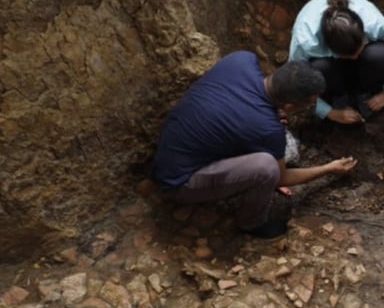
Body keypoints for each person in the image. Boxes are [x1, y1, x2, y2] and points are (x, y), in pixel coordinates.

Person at [152, 52, 357, 239]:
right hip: (179, 181)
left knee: (265, 150)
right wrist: (328, 169)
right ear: (289, 107)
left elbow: (237, 103)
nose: (311, 107)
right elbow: (281, 177)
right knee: (267, 168)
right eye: (309, 104)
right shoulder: (268, 129)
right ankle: (251, 223)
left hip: (173, 148)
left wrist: (269, 112)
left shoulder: (241, 59)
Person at [289, 0, 384, 124]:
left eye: (358, 51)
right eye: (349, 56)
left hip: (365, 62)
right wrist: (329, 112)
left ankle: (365, 91)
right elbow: (295, 82)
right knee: (320, 67)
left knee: (379, 54)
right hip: (329, 67)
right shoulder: (305, 40)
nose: (355, 58)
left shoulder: (374, 24)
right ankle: (338, 97)